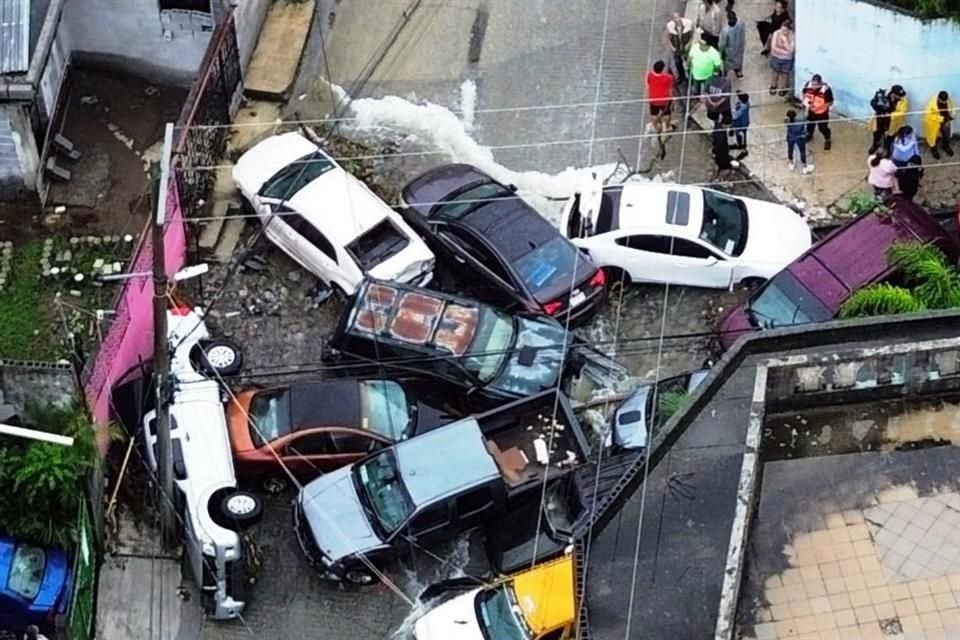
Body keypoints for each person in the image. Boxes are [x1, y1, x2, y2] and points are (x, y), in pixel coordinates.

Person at [802, 74, 834, 151]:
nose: (813, 86)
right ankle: (809, 135)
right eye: (812, 84)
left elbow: (830, 102)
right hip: (811, 111)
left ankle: (827, 139)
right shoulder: (808, 85)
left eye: (816, 85)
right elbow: (804, 93)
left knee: (823, 128)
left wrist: (818, 108)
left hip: (822, 113)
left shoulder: (826, 89)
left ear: (820, 83)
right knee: (810, 124)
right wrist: (805, 102)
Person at [664, 12, 695, 86]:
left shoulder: (688, 23)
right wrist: (672, 46)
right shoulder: (670, 26)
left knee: (689, 62)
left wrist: (689, 44)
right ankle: (682, 76)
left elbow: (693, 34)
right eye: (675, 18)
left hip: (686, 47)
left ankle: (690, 76)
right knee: (678, 62)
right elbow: (668, 36)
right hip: (676, 48)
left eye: (678, 18)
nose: (677, 20)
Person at [923, 90, 956, 159]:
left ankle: (945, 146)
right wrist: (940, 118)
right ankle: (934, 149)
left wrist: (953, 114)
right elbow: (928, 115)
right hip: (933, 122)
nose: (944, 103)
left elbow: (952, 106)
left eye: (945, 101)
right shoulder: (931, 104)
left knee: (947, 134)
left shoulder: (948, 99)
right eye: (942, 101)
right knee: (932, 137)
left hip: (945, 120)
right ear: (938, 98)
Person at [767, 19, 794, 97]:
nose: (783, 32)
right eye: (782, 29)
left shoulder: (792, 36)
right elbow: (773, 48)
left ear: (789, 30)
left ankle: (783, 88)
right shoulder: (776, 33)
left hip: (787, 60)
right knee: (775, 72)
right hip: (776, 57)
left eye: (785, 30)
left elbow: (791, 50)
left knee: (785, 74)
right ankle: (773, 86)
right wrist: (785, 52)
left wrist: (785, 41)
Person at [646, 60, 674, 132]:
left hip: (653, 99)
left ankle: (656, 127)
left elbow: (648, 85)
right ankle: (667, 127)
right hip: (664, 100)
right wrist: (672, 100)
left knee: (654, 113)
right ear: (662, 69)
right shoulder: (669, 77)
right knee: (667, 113)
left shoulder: (649, 75)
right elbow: (670, 89)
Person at [786, 109, 814, 174]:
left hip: (790, 137)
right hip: (800, 138)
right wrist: (807, 108)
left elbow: (786, 119)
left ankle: (791, 163)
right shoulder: (800, 121)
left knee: (790, 149)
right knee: (802, 152)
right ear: (795, 116)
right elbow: (806, 116)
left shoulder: (787, 122)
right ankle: (804, 167)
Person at [719, 11, 745, 79]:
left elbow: (722, 44)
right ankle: (738, 71)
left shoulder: (725, 31)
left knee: (727, 63)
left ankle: (725, 72)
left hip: (730, 51)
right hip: (739, 46)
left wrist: (720, 51)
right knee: (739, 60)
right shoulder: (740, 22)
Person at [869, 88, 893, 154]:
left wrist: (888, 109)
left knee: (889, 136)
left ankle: (886, 149)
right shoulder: (879, 96)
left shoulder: (895, 100)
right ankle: (875, 145)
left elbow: (894, 110)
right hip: (879, 120)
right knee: (876, 133)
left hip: (889, 121)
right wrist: (880, 107)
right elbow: (872, 103)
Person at [731, 92, 750, 157]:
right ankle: (739, 145)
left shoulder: (742, 108)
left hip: (741, 125)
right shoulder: (746, 103)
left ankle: (743, 150)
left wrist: (732, 111)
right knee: (739, 135)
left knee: (741, 136)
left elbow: (735, 116)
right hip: (741, 124)